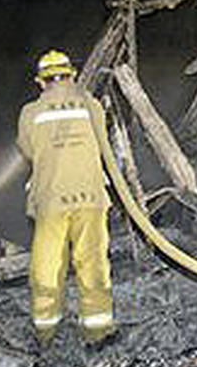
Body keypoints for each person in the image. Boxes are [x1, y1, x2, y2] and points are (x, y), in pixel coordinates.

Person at [17, 49, 120, 347]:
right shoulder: (92, 105)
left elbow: (28, 151)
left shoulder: (30, 113)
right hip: (91, 199)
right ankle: (98, 334)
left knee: (47, 268)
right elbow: (103, 143)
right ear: (72, 75)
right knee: (94, 266)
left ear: (41, 82)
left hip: (51, 201)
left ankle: (46, 335)